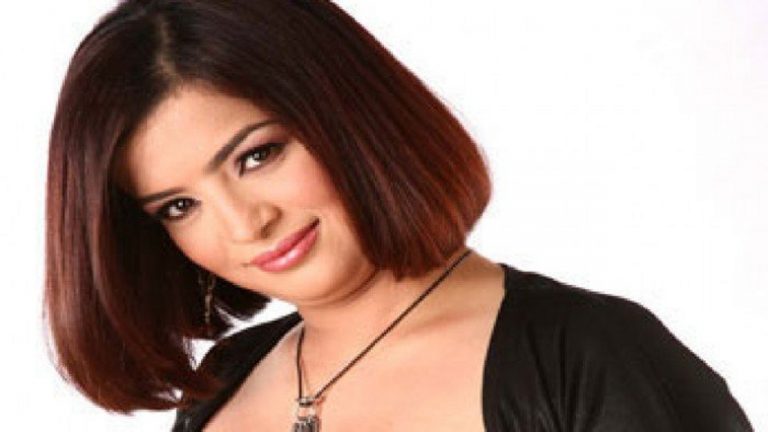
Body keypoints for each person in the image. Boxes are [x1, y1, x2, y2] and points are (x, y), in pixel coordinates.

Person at [44, 1, 753, 431]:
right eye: (179, 206)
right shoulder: (226, 379)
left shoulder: (587, 356)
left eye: (257, 156)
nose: (242, 224)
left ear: (350, 116)